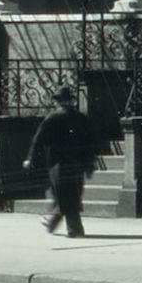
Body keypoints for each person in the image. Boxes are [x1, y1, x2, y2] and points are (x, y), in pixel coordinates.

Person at [27, 83, 100, 238]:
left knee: (63, 194)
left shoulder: (52, 118)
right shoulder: (81, 118)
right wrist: (89, 164)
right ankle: (58, 224)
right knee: (70, 193)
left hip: (58, 163)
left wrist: (30, 159)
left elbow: (38, 140)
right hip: (77, 163)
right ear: (71, 101)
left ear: (57, 101)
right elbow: (91, 142)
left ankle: (72, 228)